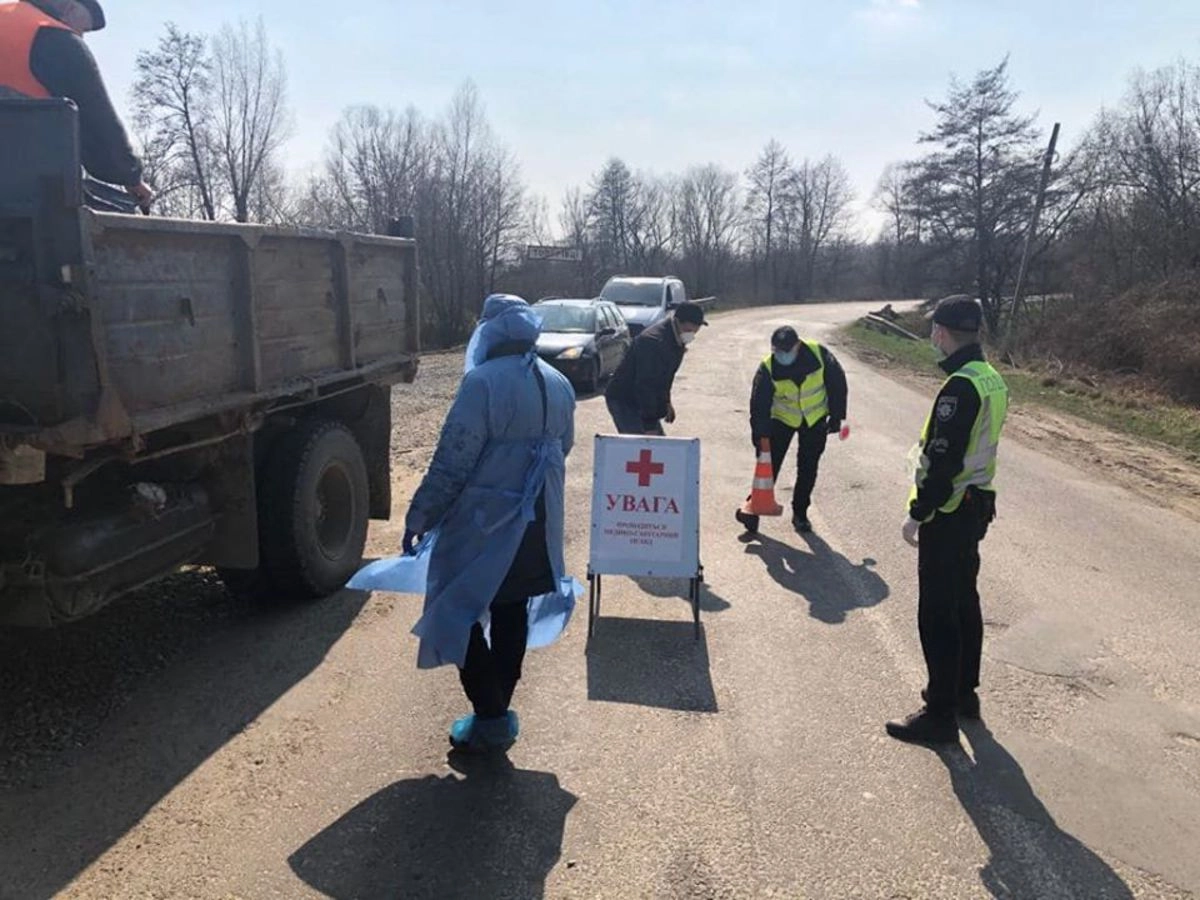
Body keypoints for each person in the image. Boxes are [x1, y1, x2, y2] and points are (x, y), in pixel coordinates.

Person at [402, 294, 577, 753]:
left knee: (455, 611)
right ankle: (496, 713)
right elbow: (564, 447)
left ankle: (491, 714)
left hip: (486, 523)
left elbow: (453, 460)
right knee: (511, 610)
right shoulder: (558, 381)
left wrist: (421, 515)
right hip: (537, 521)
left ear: (489, 332)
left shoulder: (481, 383)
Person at [886, 297, 1009, 745]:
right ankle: (963, 694)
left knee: (938, 612)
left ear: (941, 332)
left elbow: (944, 461)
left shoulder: (960, 388)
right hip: (976, 504)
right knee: (964, 601)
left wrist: (918, 513)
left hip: (950, 509)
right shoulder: (990, 377)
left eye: (933, 331)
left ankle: (939, 714)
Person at [0, 0, 152, 210]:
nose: (80, 36)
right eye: (82, 29)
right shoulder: (55, 38)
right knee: (111, 215)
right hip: (24, 195)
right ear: (69, 8)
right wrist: (130, 176)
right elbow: (100, 125)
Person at [735, 325, 848, 534]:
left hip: (814, 419)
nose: (782, 355)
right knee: (768, 467)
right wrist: (760, 435)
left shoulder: (818, 355)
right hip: (782, 419)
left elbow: (837, 383)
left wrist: (837, 415)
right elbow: (759, 405)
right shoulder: (768, 367)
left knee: (808, 468)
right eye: (777, 351)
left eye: (786, 351)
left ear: (797, 345)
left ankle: (800, 513)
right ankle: (753, 509)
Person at [604, 301, 707, 435]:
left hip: (642, 399)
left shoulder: (676, 339)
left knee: (658, 444)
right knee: (641, 444)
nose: (692, 334)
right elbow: (645, 385)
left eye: (696, 330)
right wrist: (649, 425)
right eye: (690, 330)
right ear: (677, 321)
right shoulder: (652, 342)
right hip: (624, 399)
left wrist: (666, 402)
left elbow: (665, 377)